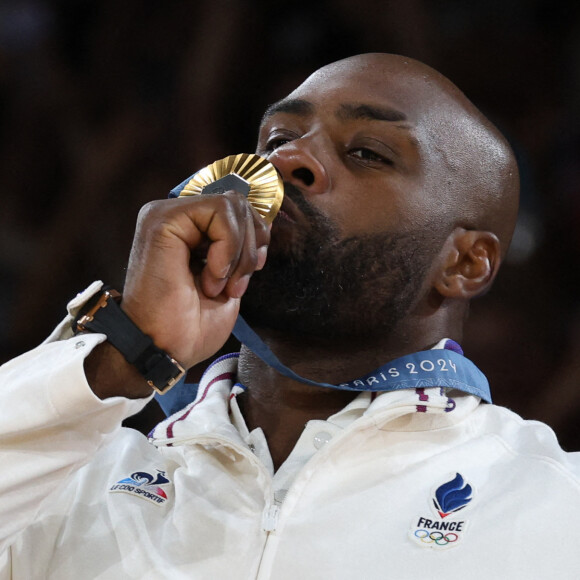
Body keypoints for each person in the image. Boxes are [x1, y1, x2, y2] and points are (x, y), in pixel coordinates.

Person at [0, 53, 578, 579]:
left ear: (466, 262)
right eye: (277, 137)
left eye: (367, 153)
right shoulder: (73, 478)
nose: (287, 159)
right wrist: (127, 351)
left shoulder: (552, 507)